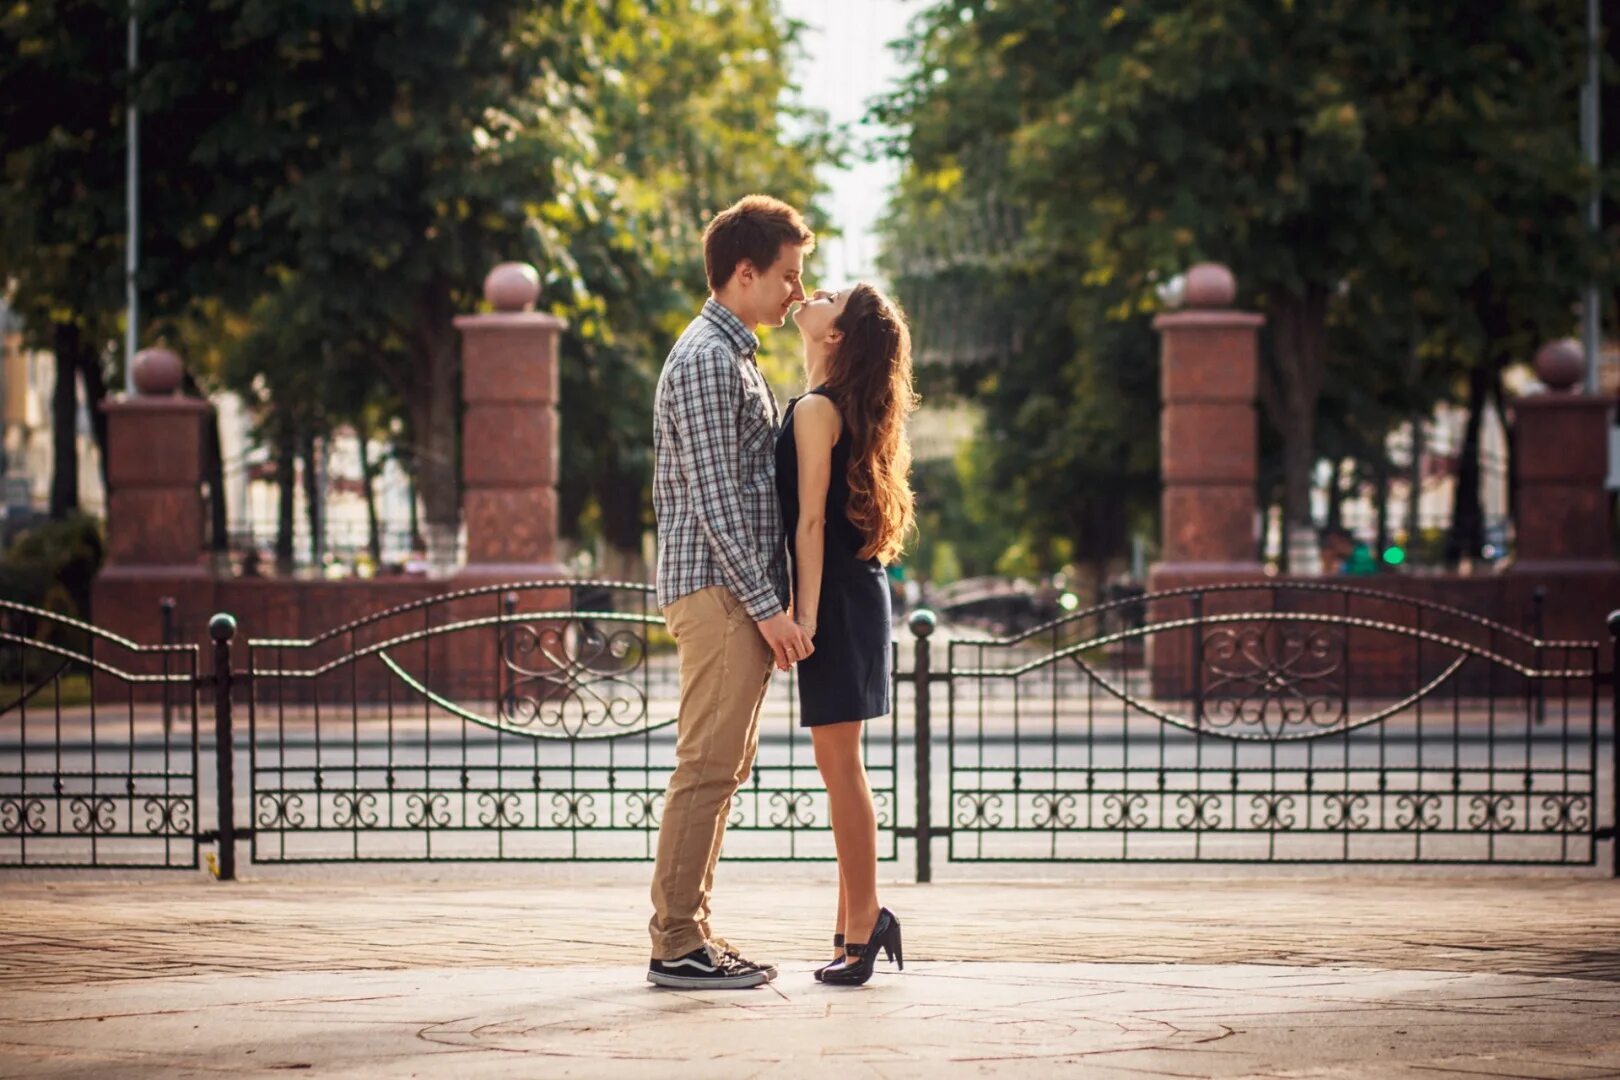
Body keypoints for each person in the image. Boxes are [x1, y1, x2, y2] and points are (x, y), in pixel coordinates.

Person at [646, 195, 817, 990]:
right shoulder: (710, 362)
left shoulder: (733, 353)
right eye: (787, 275)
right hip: (719, 592)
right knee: (707, 767)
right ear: (742, 273)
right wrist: (770, 609)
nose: (796, 290)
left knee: (721, 766)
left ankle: (692, 935)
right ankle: (676, 942)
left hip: (727, 592)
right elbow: (717, 501)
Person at [778, 283, 917, 986]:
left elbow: (809, 523)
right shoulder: (834, 407)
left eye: (830, 295)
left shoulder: (815, 410)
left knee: (840, 771)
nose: (814, 290)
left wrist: (802, 616)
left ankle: (863, 925)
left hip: (833, 600)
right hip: (852, 595)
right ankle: (851, 924)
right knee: (842, 769)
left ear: (835, 337)